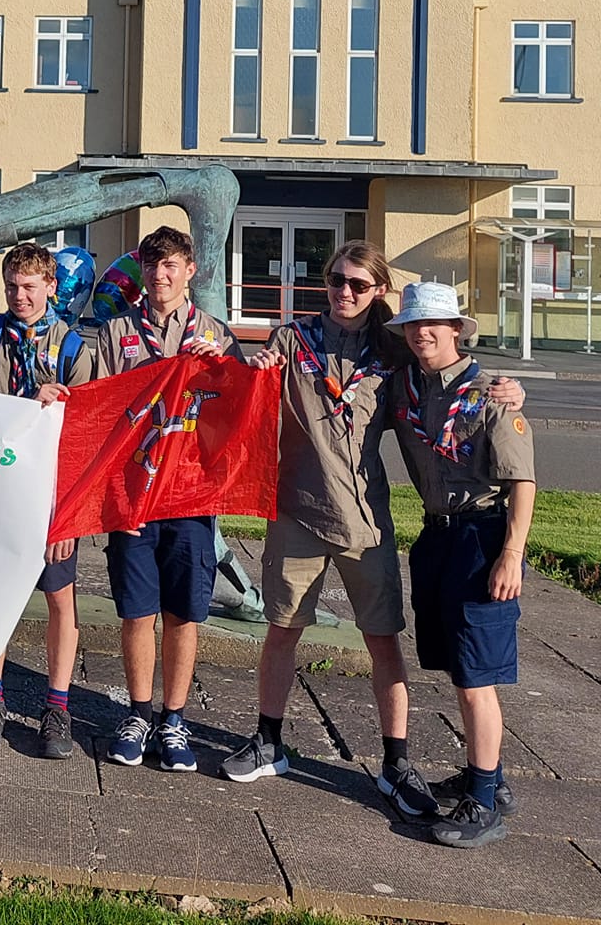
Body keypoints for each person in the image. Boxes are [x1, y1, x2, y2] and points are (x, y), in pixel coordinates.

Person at [224, 243, 524, 820]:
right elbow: (245, 381)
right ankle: (269, 741)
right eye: (336, 280)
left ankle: (395, 763)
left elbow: (450, 374)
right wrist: (248, 363)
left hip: (365, 520)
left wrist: (510, 390)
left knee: (382, 639)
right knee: (282, 630)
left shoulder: (394, 351)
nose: (345, 292)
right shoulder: (293, 340)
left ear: (379, 291)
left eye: (359, 284)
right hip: (297, 512)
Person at [385, 280, 537, 849]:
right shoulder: (406, 387)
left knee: (477, 676)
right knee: (457, 665)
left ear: (456, 329)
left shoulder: (492, 394)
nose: (422, 333)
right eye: (413, 325)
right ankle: (488, 777)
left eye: (433, 324)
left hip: (482, 535)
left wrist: (511, 555)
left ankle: (483, 804)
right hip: (437, 536)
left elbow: (523, 482)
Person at [88, 224, 243, 771]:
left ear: (190, 271)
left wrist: (221, 366)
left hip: (191, 495)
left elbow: (237, 412)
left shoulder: (214, 332)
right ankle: (138, 713)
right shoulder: (116, 332)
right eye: (152, 266)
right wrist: (111, 494)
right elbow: (99, 410)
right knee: (137, 610)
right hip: (134, 492)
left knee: (184, 612)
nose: (160, 275)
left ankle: (174, 719)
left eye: (171, 265)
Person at [0, 241, 96, 759]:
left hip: (51, 497)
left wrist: (70, 516)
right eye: (12, 286)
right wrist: (27, 405)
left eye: (30, 287)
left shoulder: (75, 347)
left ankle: (57, 707)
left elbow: (84, 437)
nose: (20, 296)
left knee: (60, 599)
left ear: (51, 287)